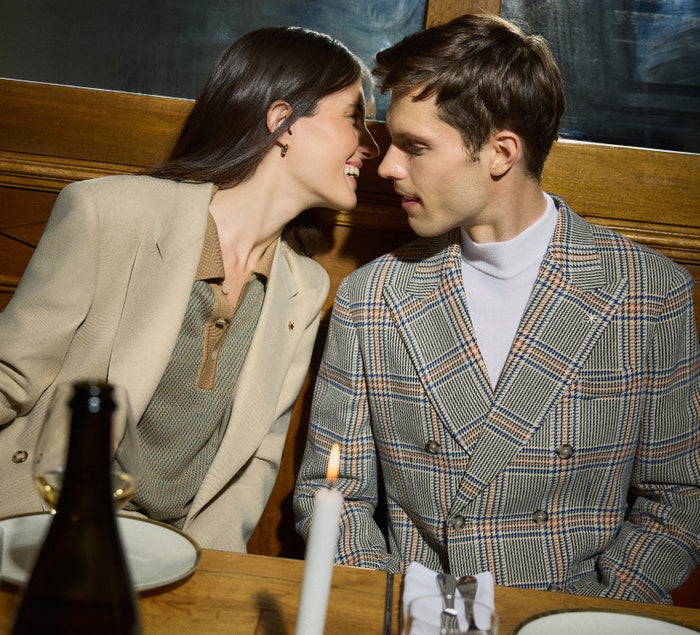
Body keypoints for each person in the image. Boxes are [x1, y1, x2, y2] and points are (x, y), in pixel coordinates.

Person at [294, 14, 699, 603]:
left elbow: (679, 501)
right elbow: (334, 497)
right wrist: (413, 613)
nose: (387, 167)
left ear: (501, 152)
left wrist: (590, 617)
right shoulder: (372, 298)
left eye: (415, 146)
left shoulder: (651, 294)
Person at [0, 26, 378, 552]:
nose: (369, 145)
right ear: (282, 122)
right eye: (353, 117)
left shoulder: (306, 287)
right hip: (42, 532)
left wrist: (205, 568)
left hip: (176, 558)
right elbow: (8, 377)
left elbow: (257, 460)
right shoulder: (110, 214)